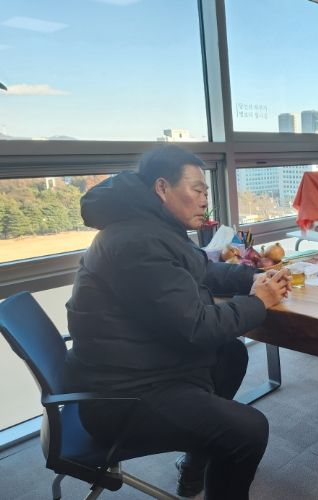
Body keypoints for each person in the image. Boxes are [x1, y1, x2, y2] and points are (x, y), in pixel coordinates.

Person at [64, 145, 291, 500]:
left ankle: (194, 465)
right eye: (197, 189)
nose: (204, 200)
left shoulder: (151, 228)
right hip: (123, 395)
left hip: (143, 367)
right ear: (162, 188)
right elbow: (197, 327)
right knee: (248, 431)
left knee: (230, 354)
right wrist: (258, 302)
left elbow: (201, 268)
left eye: (206, 192)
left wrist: (251, 278)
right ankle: (213, 453)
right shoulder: (137, 243)